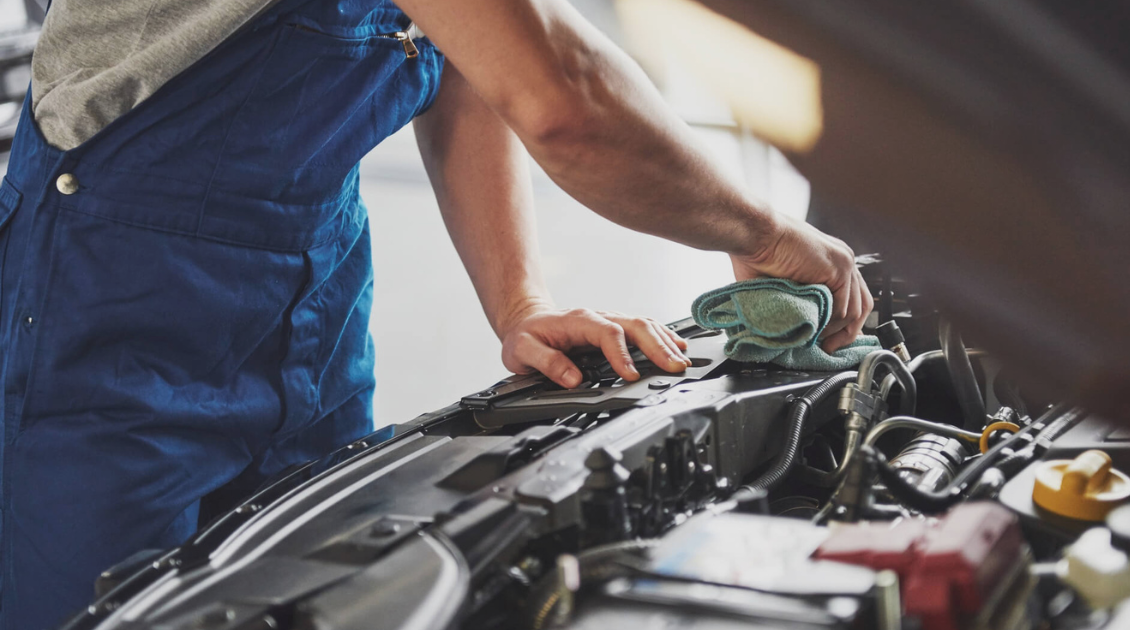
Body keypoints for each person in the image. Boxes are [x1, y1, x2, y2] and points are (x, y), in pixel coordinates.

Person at [0, 0, 870, 625]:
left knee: (328, 586)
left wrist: (519, 300)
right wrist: (764, 231)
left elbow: (464, 57)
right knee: (105, 605)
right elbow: (564, 101)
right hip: (114, 287)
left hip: (313, 290)